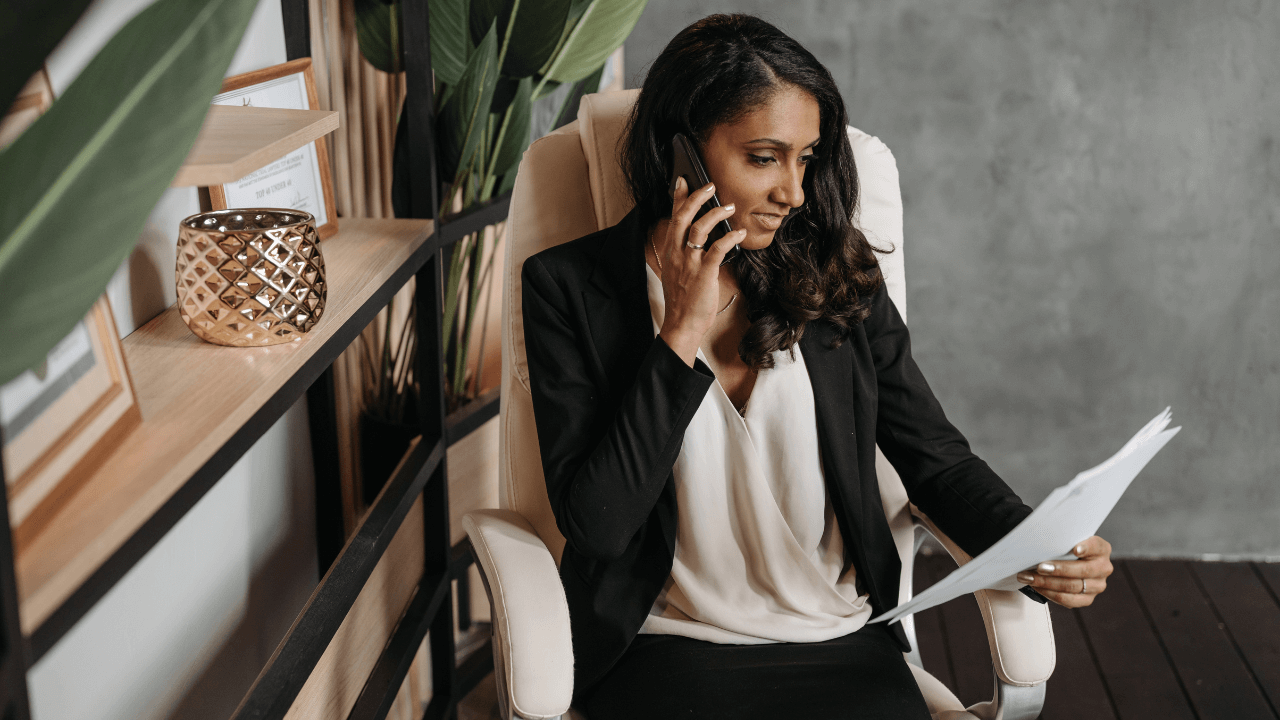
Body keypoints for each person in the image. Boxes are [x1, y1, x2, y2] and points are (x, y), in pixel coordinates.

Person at [520, 13, 1114, 719]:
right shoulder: (566, 287)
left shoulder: (837, 273)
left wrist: (1038, 545)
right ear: (680, 152)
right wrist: (679, 327)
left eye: (806, 158)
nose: (795, 193)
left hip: (838, 635)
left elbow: (937, 461)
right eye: (764, 157)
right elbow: (599, 526)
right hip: (666, 644)